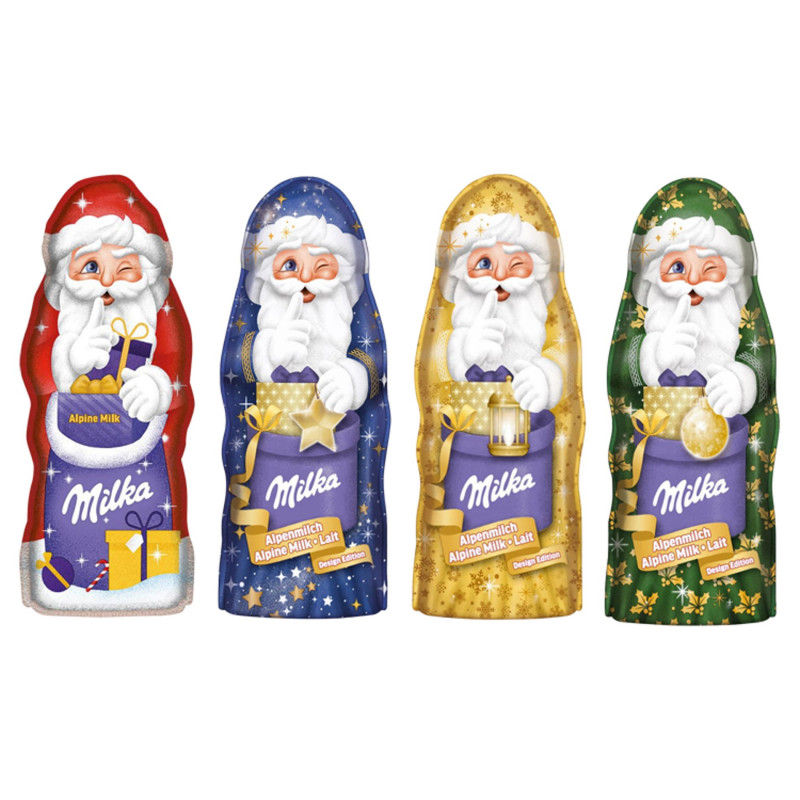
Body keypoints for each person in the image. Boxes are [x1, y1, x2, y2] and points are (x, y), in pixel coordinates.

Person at [632, 215, 755, 416]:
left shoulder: (734, 334)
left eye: (709, 268)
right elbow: (633, 375)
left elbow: (756, 367)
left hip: (720, 431)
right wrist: (659, 358)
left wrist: (740, 387)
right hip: (663, 429)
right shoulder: (647, 339)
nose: (694, 279)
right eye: (678, 267)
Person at [244, 214, 368, 413]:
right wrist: (271, 355)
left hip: (333, 429)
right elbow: (242, 371)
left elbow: (370, 365)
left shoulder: (348, 333)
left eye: (321, 266)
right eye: (290, 265)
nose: (306, 277)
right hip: (275, 426)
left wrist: (352, 382)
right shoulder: (255, 337)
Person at [441, 212, 562, 412]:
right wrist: (468, 355)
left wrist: (545, 384)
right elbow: (453, 371)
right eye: (485, 263)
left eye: (516, 264)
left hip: (524, 426)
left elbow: (557, 369)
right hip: (472, 423)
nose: (499, 275)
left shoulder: (534, 339)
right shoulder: (458, 337)